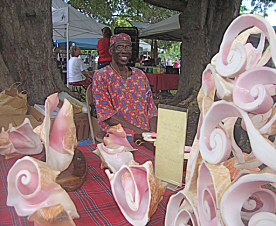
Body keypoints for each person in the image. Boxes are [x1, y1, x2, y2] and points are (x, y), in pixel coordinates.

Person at [93, 33, 158, 141]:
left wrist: (153, 134)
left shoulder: (140, 75)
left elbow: (151, 109)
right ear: (111, 51)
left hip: (146, 134)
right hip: (120, 135)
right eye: (119, 47)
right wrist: (140, 132)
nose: (124, 51)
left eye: (128, 47)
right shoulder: (102, 76)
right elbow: (107, 114)